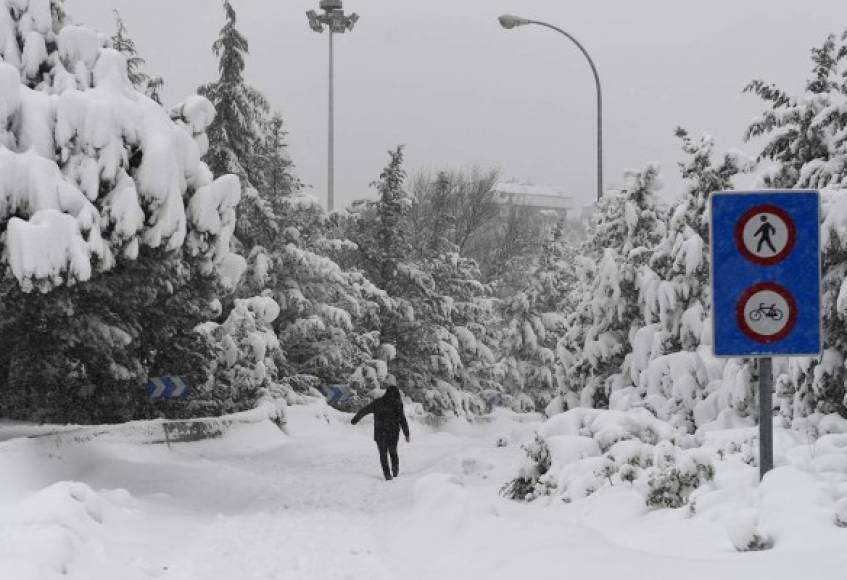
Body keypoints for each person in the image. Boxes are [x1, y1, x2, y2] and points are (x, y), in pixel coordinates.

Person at [351, 383, 410, 481]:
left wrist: (355, 419)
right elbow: (402, 420)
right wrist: (406, 434)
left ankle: (387, 474)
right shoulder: (397, 404)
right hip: (393, 433)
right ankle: (395, 472)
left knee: (383, 454)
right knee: (393, 452)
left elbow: (364, 410)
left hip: (380, 433)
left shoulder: (377, 402)